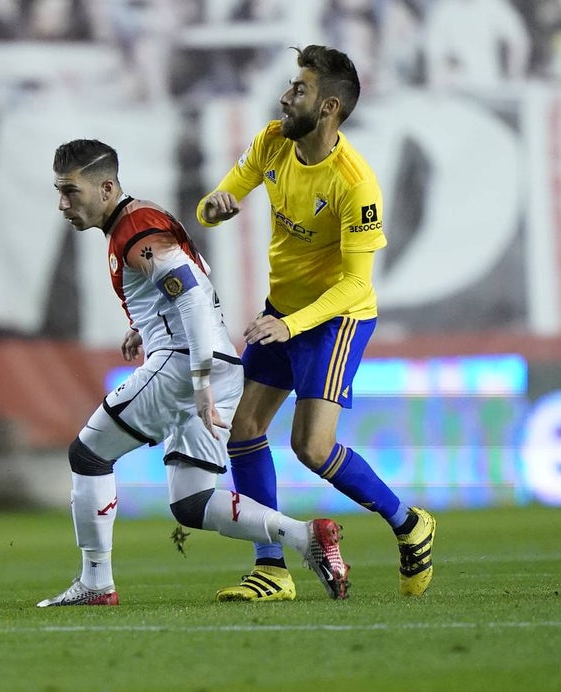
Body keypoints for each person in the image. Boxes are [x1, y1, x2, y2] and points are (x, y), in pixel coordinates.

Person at [37, 139, 349, 607]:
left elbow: (192, 298)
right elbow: (190, 285)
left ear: (105, 188)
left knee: (89, 455)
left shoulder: (136, 231)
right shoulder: (138, 220)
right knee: (192, 502)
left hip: (186, 368)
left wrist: (198, 381)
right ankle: (309, 538)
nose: (63, 204)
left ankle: (96, 583)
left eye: (70, 192)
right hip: (217, 364)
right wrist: (142, 326)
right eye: (58, 192)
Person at [196, 45, 435, 602]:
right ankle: (272, 568)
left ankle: (409, 524)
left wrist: (292, 324)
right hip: (282, 313)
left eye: (298, 89)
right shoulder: (272, 141)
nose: (285, 95)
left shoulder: (355, 183)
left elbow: (357, 284)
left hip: (335, 319)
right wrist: (215, 208)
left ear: (328, 107)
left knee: (311, 446)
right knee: (244, 429)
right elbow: (220, 195)